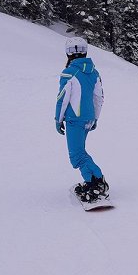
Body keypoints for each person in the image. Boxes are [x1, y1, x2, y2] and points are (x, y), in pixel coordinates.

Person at [55, 36, 109, 204]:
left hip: (74, 120)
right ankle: (94, 182)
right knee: (81, 152)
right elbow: (99, 98)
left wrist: (58, 120)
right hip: (88, 118)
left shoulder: (69, 72)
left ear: (68, 53)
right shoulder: (94, 72)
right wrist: (95, 118)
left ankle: (96, 182)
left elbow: (62, 98)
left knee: (77, 156)